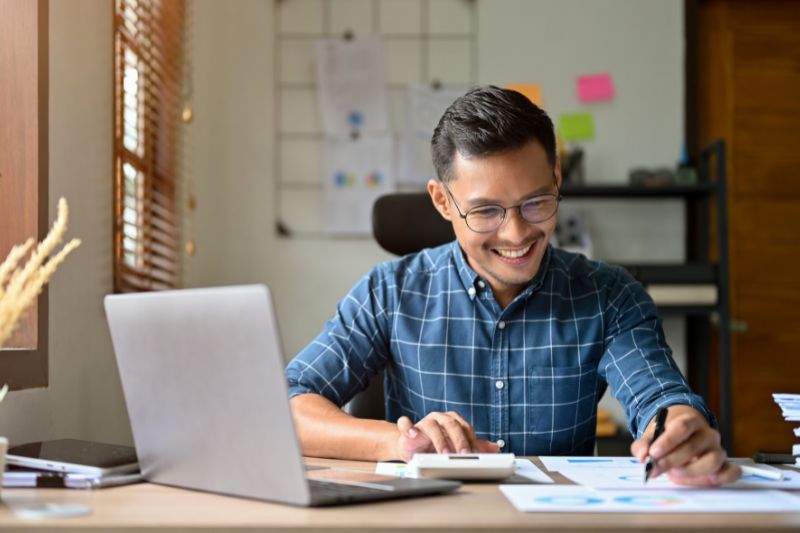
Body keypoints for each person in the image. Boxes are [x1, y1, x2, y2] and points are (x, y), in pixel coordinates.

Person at [286, 85, 739, 486]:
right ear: (443, 202)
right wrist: (401, 441)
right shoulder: (388, 293)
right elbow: (288, 405)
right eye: (486, 211)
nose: (516, 233)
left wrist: (679, 428)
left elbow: (660, 396)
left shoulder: (609, 295)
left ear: (557, 179)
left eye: (536, 202)